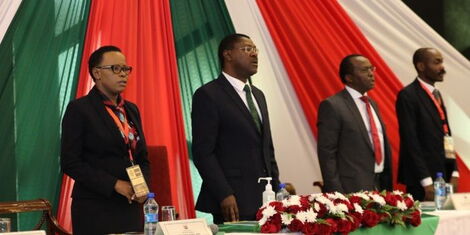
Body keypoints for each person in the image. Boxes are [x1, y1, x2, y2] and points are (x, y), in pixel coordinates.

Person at [61, 45, 150, 234]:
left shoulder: (132, 109)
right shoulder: (80, 109)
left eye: (126, 69)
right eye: (116, 69)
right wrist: (115, 184)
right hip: (96, 208)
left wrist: (143, 185)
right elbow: (70, 163)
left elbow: (142, 157)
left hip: (130, 207)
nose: (123, 74)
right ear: (97, 73)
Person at [191, 34, 280, 224]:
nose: (254, 55)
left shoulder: (258, 95)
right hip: (233, 203)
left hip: (266, 201)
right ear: (228, 55)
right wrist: (224, 193)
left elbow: (266, 147)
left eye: (255, 50)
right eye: (247, 49)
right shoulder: (208, 95)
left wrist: (276, 188)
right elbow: (203, 152)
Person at [317, 54, 393, 193]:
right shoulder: (333, 105)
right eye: (364, 70)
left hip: (380, 184)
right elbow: (327, 154)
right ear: (349, 77)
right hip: (351, 188)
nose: (371, 74)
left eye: (371, 69)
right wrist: (336, 192)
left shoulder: (372, 104)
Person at [396, 48, 458, 201]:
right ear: (421, 66)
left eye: (442, 62)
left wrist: (454, 171)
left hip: (442, 175)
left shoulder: (436, 94)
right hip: (423, 181)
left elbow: (446, 135)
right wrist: (426, 181)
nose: (442, 68)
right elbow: (410, 141)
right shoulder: (408, 95)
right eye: (437, 63)